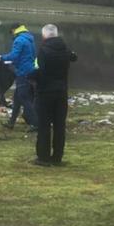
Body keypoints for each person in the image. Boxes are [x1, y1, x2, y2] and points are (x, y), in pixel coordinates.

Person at [31, 24, 77, 166]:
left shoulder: (43, 51)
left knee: (44, 125)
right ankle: (57, 157)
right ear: (56, 34)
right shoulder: (65, 49)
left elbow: (38, 71)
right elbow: (74, 57)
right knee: (59, 125)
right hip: (61, 91)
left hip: (45, 92)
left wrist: (30, 76)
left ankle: (43, 157)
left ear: (44, 36)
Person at [0, 23, 38, 130]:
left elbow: (14, 56)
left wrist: (1, 57)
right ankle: (11, 123)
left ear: (14, 30)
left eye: (11, 32)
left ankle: (36, 124)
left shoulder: (19, 40)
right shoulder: (29, 38)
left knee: (24, 98)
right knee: (17, 99)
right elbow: (28, 56)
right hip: (30, 70)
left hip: (23, 72)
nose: (11, 34)